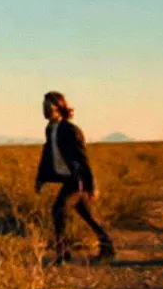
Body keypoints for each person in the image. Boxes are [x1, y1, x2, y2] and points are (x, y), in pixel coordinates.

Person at [34, 91, 115, 265]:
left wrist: (92, 186)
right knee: (87, 214)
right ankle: (108, 246)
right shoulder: (50, 129)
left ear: (58, 107)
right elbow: (47, 153)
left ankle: (63, 254)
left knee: (58, 210)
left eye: (48, 106)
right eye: (43, 106)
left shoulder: (71, 130)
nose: (44, 110)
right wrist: (41, 178)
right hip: (67, 178)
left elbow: (82, 158)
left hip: (77, 180)